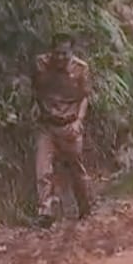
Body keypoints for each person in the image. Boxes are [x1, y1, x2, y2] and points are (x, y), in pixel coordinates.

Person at [32, 33, 93, 227]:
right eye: (56, 53)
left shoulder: (81, 69)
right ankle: (45, 213)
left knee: (76, 170)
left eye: (64, 54)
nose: (60, 58)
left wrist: (79, 121)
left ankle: (85, 206)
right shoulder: (40, 64)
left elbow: (85, 97)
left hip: (69, 126)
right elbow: (35, 90)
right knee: (43, 170)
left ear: (71, 53)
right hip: (48, 125)